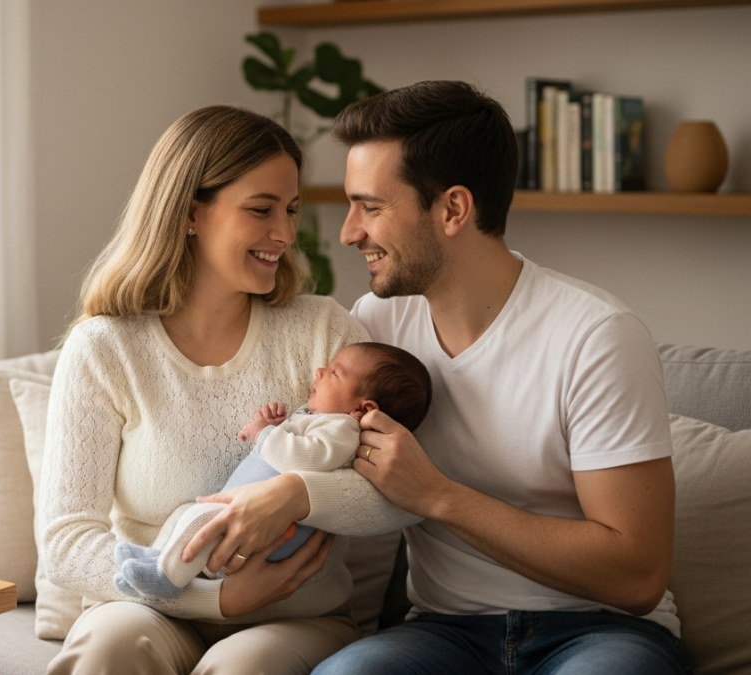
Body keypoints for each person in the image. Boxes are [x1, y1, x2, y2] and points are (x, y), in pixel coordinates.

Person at [180, 81, 687, 674]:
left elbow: (636, 578)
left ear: (452, 210)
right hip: (444, 633)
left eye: (371, 207)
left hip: (602, 631)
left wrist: (438, 496)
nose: (348, 232)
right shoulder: (379, 327)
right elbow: (335, 483)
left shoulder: (595, 336)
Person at [38, 105, 416, 675]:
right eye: (261, 209)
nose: (285, 233)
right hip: (147, 609)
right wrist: (213, 599)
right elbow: (66, 540)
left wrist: (296, 494)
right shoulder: (104, 348)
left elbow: (393, 494)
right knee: (108, 648)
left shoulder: (325, 332)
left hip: (294, 618)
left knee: (245, 667)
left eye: (291, 210)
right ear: (191, 212)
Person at [114, 342, 432, 600]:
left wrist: (265, 433)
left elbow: (308, 459)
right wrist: (275, 422)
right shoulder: (320, 419)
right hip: (241, 512)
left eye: (334, 373)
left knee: (199, 521)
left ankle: (167, 579)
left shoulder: (343, 430)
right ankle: (157, 558)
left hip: (264, 536)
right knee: (186, 513)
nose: (320, 370)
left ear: (364, 408)